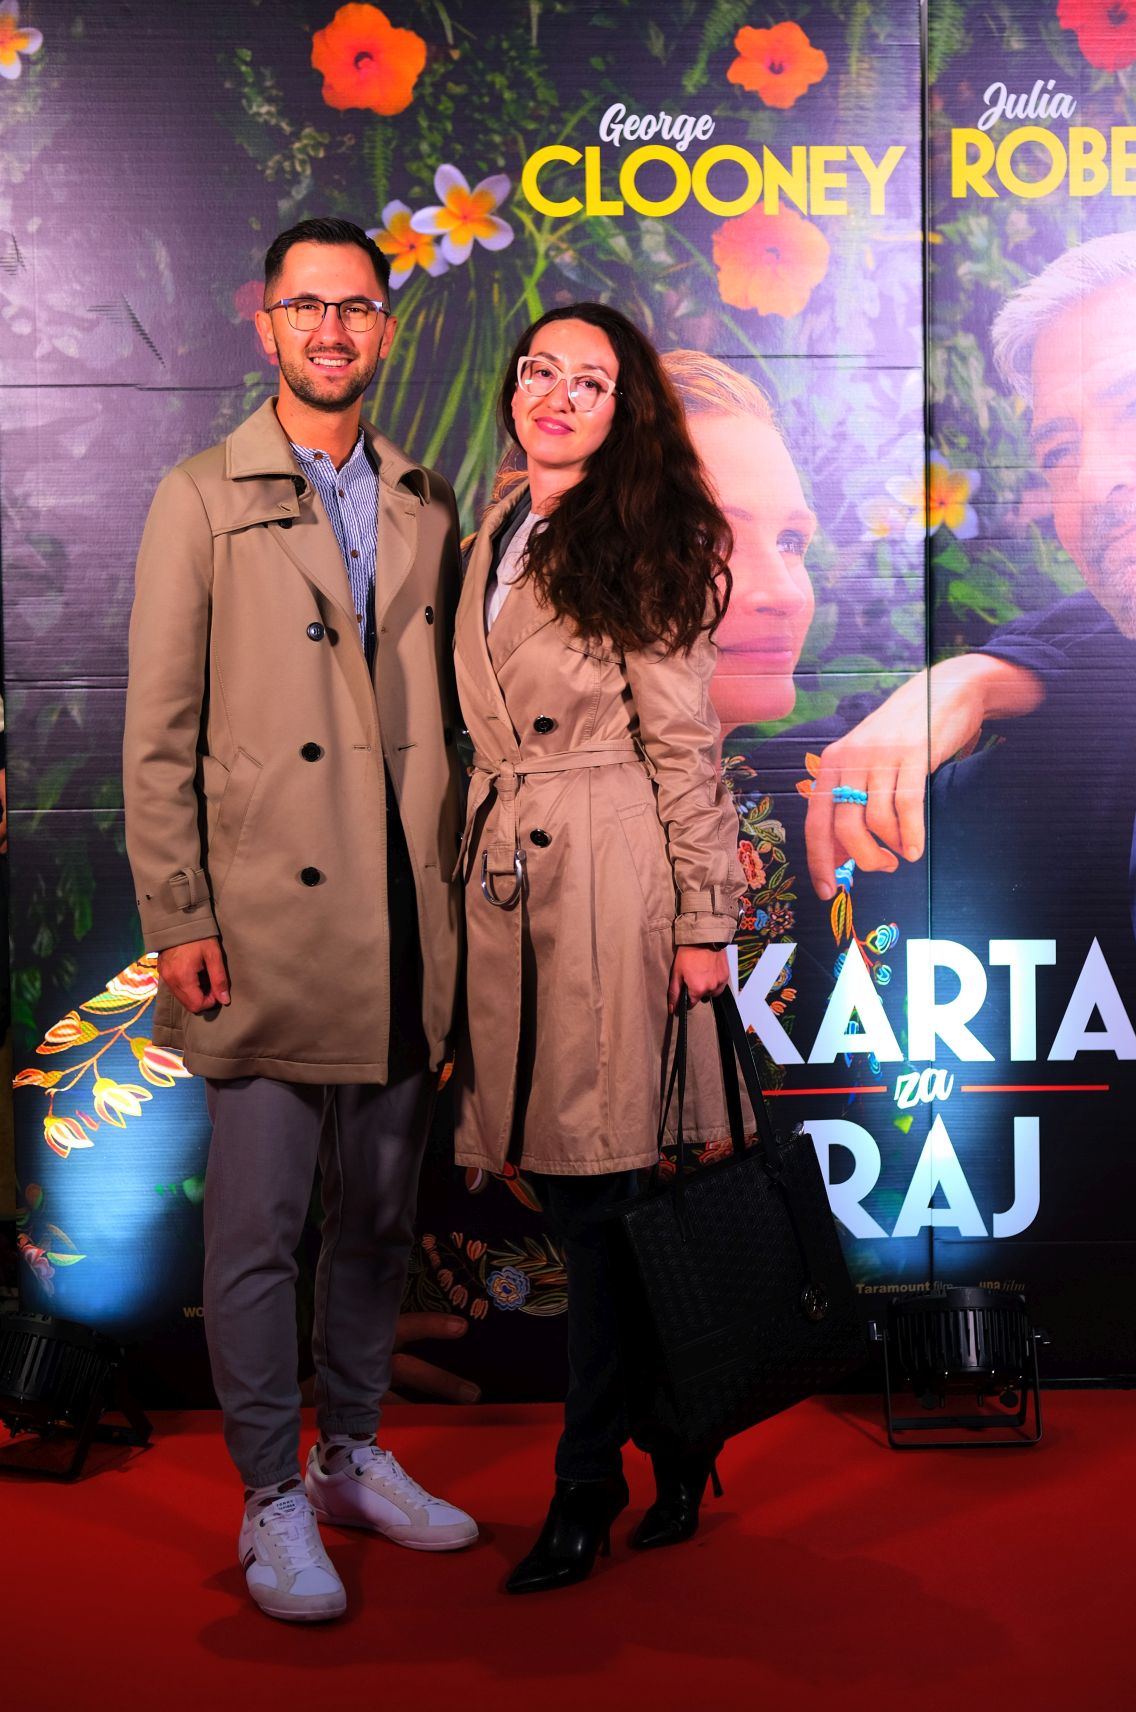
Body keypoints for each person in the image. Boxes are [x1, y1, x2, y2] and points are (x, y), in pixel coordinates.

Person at [843, 222, 1136, 1373]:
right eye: (1055, 448)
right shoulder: (1024, 767)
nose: (1093, 480)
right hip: (1099, 1386)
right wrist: (973, 673)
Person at [122, 217, 477, 1625]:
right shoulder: (199, 497)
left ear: (385, 327)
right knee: (260, 1227)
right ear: (264, 323)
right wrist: (180, 912)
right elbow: (159, 732)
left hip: (404, 917)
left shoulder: (426, 501)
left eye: (357, 307)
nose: (333, 330)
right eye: (307, 306)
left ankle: (350, 1452)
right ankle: (270, 1489)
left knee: (379, 1217)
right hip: (267, 918)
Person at [453, 303, 741, 1593]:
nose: (555, 396)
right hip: (508, 874)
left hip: (608, 874)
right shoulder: (493, 531)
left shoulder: (647, 535)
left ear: (626, 413)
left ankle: (586, 1480)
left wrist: (703, 921)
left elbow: (682, 746)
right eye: (539, 372)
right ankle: (673, 1435)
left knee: (604, 1191)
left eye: (589, 381)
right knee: (582, 1197)